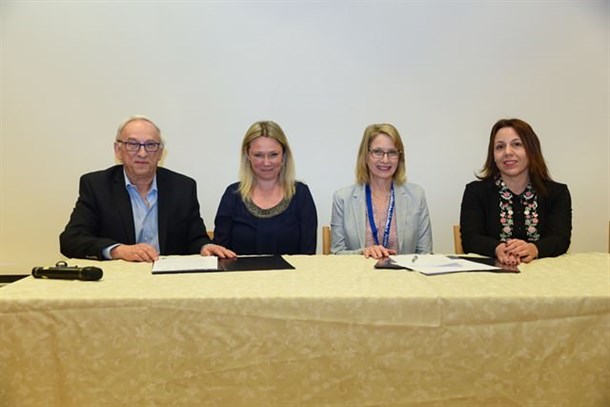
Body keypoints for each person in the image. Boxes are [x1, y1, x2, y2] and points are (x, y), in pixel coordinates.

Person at [60, 115, 235, 262]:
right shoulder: (96, 186)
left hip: (169, 283)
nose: (142, 153)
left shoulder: (183, 187)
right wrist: (117, 251)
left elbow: (195, 239)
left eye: (151, 145)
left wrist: (205, 247)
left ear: (160, 153)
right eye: (133, 144)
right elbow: (70, 240)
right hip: (117, 284)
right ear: (118, 150)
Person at [459, 118, 572, 265]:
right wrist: (497, 248)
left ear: (531, 150)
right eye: (500, 147)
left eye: (517, 144)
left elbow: (560, 239)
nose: (507, 152)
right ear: (492, 155)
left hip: (545, 278)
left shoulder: (557, 193)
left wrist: (532, 249)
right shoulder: (476, 191)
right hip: (491, 279)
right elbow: (470, 238)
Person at [213, 121, 317, 254]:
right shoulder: (232, 195)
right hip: (241, 274)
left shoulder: (301, 194)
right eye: (258, 155)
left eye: (273, 154)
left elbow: (308, 254)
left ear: (284, 155)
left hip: (290, 275)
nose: (266, 162)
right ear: (247, 155)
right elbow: (221, 253)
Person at [331, 123, 433, 259]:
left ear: (399, 157)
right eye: (377, 152)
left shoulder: (416, 195)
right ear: (365, 156)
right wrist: (363, 252)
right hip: (359, 277)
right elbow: (337, 254)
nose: (385, 160)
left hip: (404, 278)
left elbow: (426, 254)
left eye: (392, 152)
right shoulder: (343, 198)